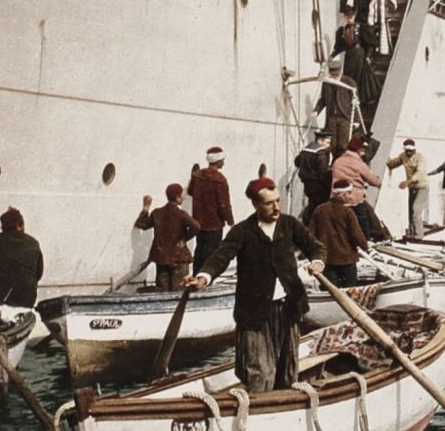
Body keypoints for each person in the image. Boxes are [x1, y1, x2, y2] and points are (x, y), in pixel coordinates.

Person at [184, 178, 326, 392]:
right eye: (270, 203)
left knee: (287, 370)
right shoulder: (242, 231)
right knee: (259, 373)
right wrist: (203, 277)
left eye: (278, 201)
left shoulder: (289, 225)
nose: (277, 207)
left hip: (288, 308)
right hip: (254, 312)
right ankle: (258, 408)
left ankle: (284, 407)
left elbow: (315, 246)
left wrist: (317, 262)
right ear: (256, 205)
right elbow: (221, 257)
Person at [134, 184, 200, 291]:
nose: (183, 197)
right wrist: (184, 239)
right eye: (181, 195)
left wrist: (146, 207)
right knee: (179, 291)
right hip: (179, 258)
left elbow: (142, 224)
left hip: (161, 258)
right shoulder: (181, 214)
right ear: (177, 197)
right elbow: (196, 226)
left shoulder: (157, 213)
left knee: (162, 291)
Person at [308, 179, 367, 288]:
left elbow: (310, 235)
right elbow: (356, 236)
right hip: (347, 260)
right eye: (349, 193)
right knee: (349, 292)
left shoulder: (319, 210)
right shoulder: (348, 212)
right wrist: (366, 246)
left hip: (327, 260)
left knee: (330, 291)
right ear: (342, 194)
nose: (350, 196)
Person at [187, 146, 235, 275]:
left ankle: (196, 275)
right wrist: (231, 222)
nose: (224, 163)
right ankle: (206, 278)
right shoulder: (220, 180)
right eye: (222, 160)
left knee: (199, 249)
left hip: (198, 221)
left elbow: (190, 191)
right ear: (218, 161)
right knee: (212, 253)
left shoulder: (197, 176)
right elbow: (224, 204)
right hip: (214, 223)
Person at [331, 136, 383, 241]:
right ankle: (366, 240)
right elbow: (372, 180)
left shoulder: (338, 161)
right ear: (359, 150)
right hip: (354, 197)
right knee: (362, 219)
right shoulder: (359, 164)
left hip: (338, 196)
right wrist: (379, 182)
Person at [331, 6, 381, 109]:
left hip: (359, 56)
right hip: (349, 57)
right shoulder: (343, 30)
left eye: (351, 15)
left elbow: (371, 44)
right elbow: (341, 46)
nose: (349, 18)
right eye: (347, 16)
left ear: (354, 15)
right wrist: (332, 55)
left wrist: (368, 56)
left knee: (360, 79)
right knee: (349, 78)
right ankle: (351, 99)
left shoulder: (361, 28)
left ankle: (360, 101)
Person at [386, 139, 430, 239]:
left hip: (422, 187)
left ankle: (419, 235)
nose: (408, 152)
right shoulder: (403, 156)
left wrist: (407, 182)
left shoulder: (420, 157)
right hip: (412, 188)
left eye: (410, 150)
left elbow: (419, 173)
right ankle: (412, 233)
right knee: (410, 212)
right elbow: (392, 163)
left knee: (416, 209)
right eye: (407, 150)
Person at [313, 59, 358, 155]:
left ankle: (340, 163)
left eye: (336, 74)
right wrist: (316, 110)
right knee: (332, 144)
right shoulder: (327, 83)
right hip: (331, 118)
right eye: (332, 75)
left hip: (345, 118)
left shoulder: (349, 82)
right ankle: (334, 162)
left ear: (340, 72)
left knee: (343, 144)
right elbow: (323, 99)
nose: (334, 77)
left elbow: (355, 103)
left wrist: (356, 120)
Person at [294, 129, 333, 225]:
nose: (329, 145)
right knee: (319, 206)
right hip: (318, 185)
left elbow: (297, 162)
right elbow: (323, 173)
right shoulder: (321, 153)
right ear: (320, 141)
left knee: (312, 204)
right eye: (328, 142)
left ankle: (307, 222)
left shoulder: (305, 150)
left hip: (307, 184)